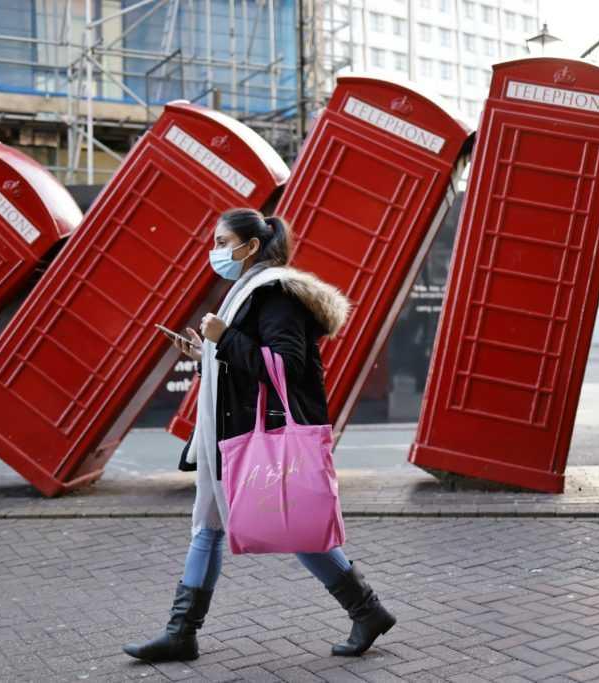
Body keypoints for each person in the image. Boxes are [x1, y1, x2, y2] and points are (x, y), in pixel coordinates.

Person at [123, 208, 396, 663]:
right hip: (226, 433)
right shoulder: (247, 291)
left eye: (222, 242)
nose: (215, 251)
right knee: (209, 527)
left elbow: (286, 366)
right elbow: (245, 366)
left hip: (253, 436)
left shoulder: (275, 294)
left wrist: (225, 338)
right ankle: (181, 632)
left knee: (287, 526)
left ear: (251, 246)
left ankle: (367, 611)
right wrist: (205, 352)